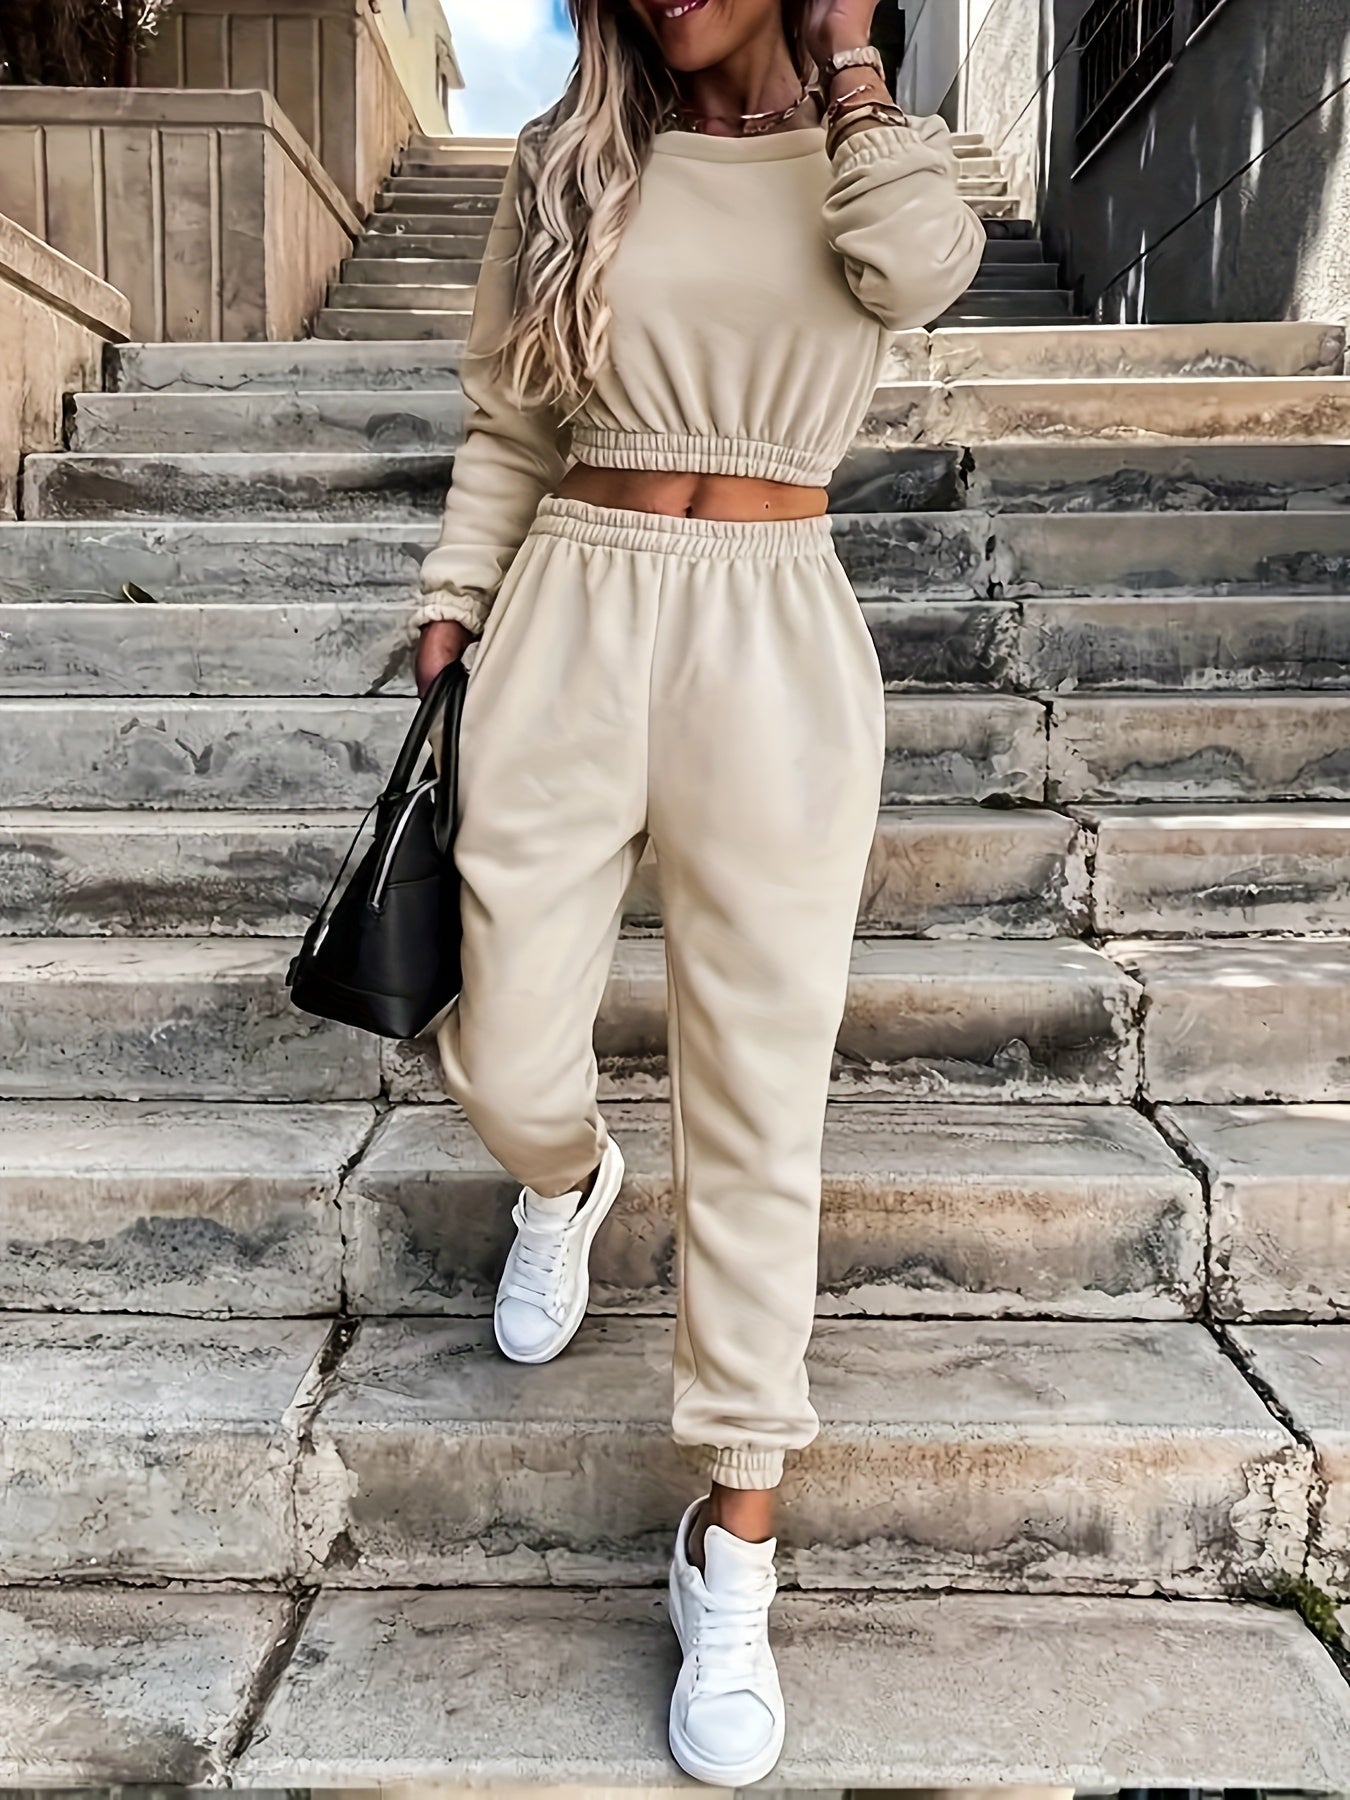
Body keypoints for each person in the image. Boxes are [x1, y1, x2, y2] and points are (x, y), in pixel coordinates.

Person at [411, 0, 983, 1783]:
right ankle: (565, 1178)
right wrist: (454, 596)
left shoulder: (869, 160)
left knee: (758, 1095)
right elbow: (509, 420)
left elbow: (922, 270)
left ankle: (732, 1539)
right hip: (570, 607)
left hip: (772, 629)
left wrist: (853, 60)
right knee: (503, 1047)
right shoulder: (572, 158)